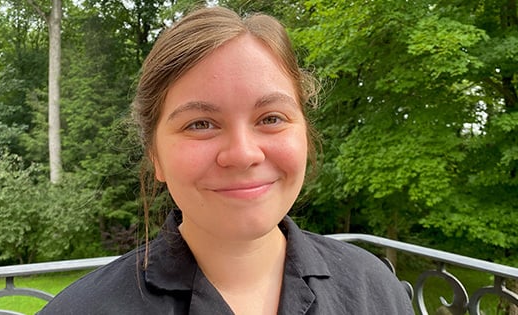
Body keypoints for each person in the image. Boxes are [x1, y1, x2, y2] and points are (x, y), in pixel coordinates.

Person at [38, 6, 414, 315]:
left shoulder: (374, 289)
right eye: (200, 124)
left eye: (270, 118)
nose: (243, 154)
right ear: (156, 155)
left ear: (305, 133)